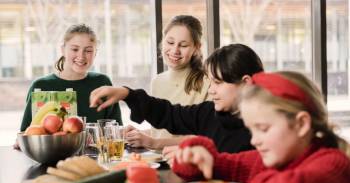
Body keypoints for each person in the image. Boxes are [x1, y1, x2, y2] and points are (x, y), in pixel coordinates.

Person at [172, 71, 350, 183]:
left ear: (301, 124)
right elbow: (219, 165)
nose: (254, 141)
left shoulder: (334, 165)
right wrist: (196, 156)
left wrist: (254, 181)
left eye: (263, 129)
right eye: (251, 130)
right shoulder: (273, 157)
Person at [90, 44, 264, 159]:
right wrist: (127, 94)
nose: (211, 90)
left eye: (218, 83)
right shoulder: (209, 113)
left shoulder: (266, 125)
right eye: (210, 82)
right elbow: (169, 113)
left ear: (246, 83)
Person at [125, 15, 209, 151]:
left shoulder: (208, 82)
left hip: (189, 162)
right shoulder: (157, 81)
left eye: (183, 45)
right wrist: (140, 134)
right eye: (170, 42)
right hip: (160, 160)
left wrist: (153, 143)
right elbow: (162, 132)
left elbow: (205, 137)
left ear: (196, 48)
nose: (175, 50)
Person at [19, 23, 122, 133]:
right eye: (74, 49)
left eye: (88, 50)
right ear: (63, 50)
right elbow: (26, 133)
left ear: (95, 53)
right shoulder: (41, 86)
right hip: (53, 149)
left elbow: (117, 129)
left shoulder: (102, 82)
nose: (81, 56)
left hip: (95, 150)